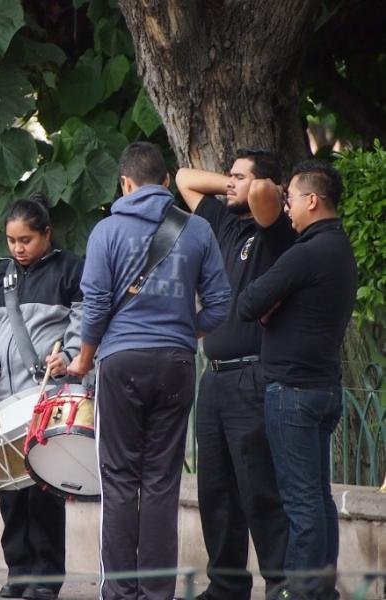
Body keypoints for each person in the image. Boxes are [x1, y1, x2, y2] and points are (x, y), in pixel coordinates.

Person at [67, 142, 231, 600]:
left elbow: (96, 303)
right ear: (164, 182)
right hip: (177, 363)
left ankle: (120, 594)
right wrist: (184, 330)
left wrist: (84, 357)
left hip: (120, 363)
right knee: (161, 482)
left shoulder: (106, 231)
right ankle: (158, 594)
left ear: (125, 183)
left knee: (119, 481)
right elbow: (220, 304)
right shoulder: (196, 229)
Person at [175, 149, 295, 599]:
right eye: (227, 176)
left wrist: (256, 183)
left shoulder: (274, 231)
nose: (228, 183)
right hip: (216, 377)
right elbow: (185, 178)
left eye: (238, 177)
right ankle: (226, 586)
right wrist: (232, 183)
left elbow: (264, 191)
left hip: (253, 376)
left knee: (259, 487)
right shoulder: (223, 224)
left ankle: (280, 584)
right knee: (217, 489)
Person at [237, 160, 357, 600]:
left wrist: (275, 303)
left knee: (301, 504)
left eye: (290, 199)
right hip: (324, 388)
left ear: (311, 200)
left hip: (293, 393)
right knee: (319, 500)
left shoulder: (306, 252)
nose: (285, 208)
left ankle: (303, 594)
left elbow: (249, 302)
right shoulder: (340, 248)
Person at [0, 195, 83, 600]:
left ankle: (46, 580)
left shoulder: (70, 271)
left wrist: (67, 354)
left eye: (27, 240)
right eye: (12, 241)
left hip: (46, 399)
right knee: (11, 494)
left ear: (47, 234)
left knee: (46, 492)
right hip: (3, 401)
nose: (18, 248)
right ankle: (18, 572)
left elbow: (86, 316)